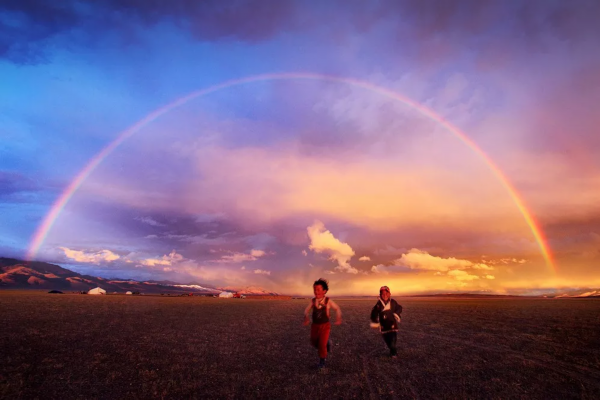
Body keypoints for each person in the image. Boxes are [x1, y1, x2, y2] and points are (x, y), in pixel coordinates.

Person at [303, 278, 342, 369]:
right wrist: (306, 317)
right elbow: (306, 310)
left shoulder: (328, 301)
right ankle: (327, 342)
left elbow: (337, 308)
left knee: (321, 345)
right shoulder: (313, 301)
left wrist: (338, 317)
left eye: (318, 289)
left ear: (324, 291)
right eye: (314, 289)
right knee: (313, 342)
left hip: (325, 326)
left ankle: (322, 361)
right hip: (314, 326)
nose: (316, 292)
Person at [370, 285, 402, 358]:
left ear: (389, 294)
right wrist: (375, 321)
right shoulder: (378, 304)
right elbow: (373, 313)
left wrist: (396, 314)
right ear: (380, 295)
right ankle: (392, 350)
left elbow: (399, 308)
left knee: (393, 340)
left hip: (392, 325)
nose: (385, 295)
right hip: (384, 326)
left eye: (386, 293)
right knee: (387, 341)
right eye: (383, 294)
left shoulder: (393, 302)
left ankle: (393, 353)